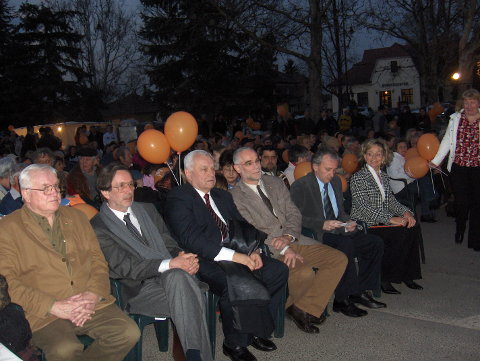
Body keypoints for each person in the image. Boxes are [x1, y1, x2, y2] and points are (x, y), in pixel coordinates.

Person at [0, 164, 139, 361]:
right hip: (44, 312)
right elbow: (8, 283)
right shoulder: (7, 229)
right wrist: (53, 306)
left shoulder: (77, 216)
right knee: (65, 349)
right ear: (26, 193)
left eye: (56, 187)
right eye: (46, 188)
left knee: (128, 332)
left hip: (87, 301)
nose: (55, 193)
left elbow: (98, 261)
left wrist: (93, 294)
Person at [165, 150, 288, 361]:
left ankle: (255, 329)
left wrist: (253, 249)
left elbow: (242, 225)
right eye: (203, 169)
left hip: (237, 251)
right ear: (187, 173)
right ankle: (234, 344)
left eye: (212, 168)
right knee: (236, 282)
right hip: (203, 259)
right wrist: (237, 257)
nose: (211, 173)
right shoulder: (179, 197)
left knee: (277, 271)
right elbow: (192, 239)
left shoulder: (222, 195)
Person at [91, 163, 212, 361]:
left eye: (130, 185)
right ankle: (194, 355)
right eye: (120, 186)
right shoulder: (98, 227)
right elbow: (124, 267)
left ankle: (193, 355)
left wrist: (182, 257)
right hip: (137, 289)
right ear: (105, 192)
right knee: (188, 288)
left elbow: (168, 244)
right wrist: (171, 264)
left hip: (170, 280)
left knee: (178, 279)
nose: (128, 191)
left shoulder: (147, 210)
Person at [231, 147, 349, 325]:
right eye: (249, 163)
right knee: (304, 273)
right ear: (237, 168)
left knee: (338, 259)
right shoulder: (235, 196)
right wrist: (285, 248)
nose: (256, 166)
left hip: (294, 238)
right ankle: (302, 310)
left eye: (256, 160)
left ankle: (301, 308)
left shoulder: (275, 182)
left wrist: (288, 236)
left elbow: (294, 213)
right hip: (270, 248)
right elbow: (253, 229)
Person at [290, 148, 386, 313]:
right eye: (328, 169)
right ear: (315, 166)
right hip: (318, 234)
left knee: (374, 243)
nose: (332, 174)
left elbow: (340, 211)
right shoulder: (301, 186)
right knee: (345, 245)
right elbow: (296, 218)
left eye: (334, 169)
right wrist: (322, 224)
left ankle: (361, 290)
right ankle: (342, 299)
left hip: (339, 229)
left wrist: (348, 221)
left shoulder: (335, 182)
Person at [350, 139, 423, 294]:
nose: (374, 158)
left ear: (384, 157)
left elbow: (391, 201)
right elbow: (364, 208)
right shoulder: (358, 178)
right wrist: (391, 219)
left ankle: (407, 274)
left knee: (412, 227)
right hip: (367, 223)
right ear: (364, 156)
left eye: (378, 154)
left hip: (382, 220)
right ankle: (385, 278)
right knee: (399, 233)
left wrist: (406, 212)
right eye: (370, 154)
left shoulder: (383, 175)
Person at [431, 88, 480, 250]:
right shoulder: (456, 118)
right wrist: (436, 160)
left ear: (478, 103)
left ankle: (475, 239)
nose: (470, 105)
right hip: (459, 167)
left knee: (477, 204)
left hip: (477, 168)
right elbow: (446, 142)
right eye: (466, 102)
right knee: (462, 202)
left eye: (472, 102)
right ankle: (460, 228)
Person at [387, 139, 437, 222]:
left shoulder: (404, 157)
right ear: (396, 149)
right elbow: (394, 175)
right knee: (424, 184)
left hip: (408, 183)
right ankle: (431, 201)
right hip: (400, 187)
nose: (404, 149)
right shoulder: (394, 158)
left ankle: (428, 209)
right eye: (401, 147)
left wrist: (413, 175)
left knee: (424, 182)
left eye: (405, 147)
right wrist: (411, 176)